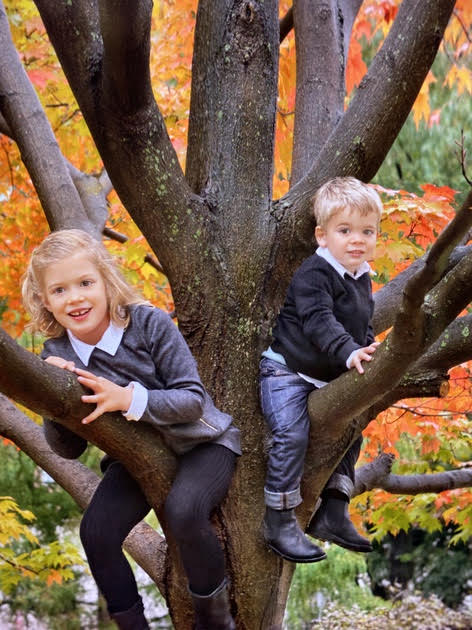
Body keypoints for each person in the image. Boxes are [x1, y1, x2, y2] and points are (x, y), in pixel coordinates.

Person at [22, 229, 240, 630]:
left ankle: (216, 620)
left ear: (106, 280)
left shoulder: (148, 323)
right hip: (134, 455)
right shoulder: (56, 353)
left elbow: (192, 399)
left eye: (85, 283)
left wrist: (128, 398)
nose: (75, 298)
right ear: (45, 301)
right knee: (97, 531)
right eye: (59, 290)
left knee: (184, 510)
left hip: (203, 443)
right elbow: (66, 449)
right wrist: (56, 400)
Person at [259, 176, 382, 563]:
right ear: (322, 235)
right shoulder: (315, 273)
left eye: (367, 231)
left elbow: (361, 325)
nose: (356, 240)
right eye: (344, 230)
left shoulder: (362, 278)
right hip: (287, 373)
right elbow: (318, 321)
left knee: (352, 428)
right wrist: (349, 352)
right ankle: (278, 519)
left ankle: (332, 509)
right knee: (291, 436)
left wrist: (368, 347)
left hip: (326, 376)